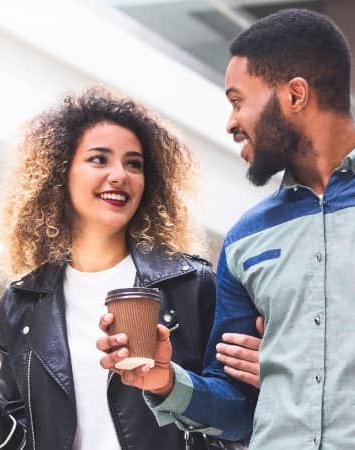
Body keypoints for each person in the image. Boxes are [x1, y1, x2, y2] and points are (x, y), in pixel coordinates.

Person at [0, 87, 261, 450]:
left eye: (134, 163)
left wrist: (169, 383)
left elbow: (238, 418)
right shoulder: (22, 301)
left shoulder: (190, 285)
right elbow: (23, 442)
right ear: (59, 174)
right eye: (99, 160)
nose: (120, 175)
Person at [98, 8, 355, 449]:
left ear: (295, 96)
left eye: (238, 101)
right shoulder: (245, 239)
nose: (231, 123)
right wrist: (165, 380)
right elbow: (236, 410)